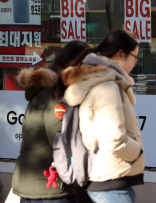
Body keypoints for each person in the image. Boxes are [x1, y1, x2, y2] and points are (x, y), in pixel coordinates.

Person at [60, 29, 145, 203]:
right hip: (112, 181)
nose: (136, 63)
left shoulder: (96, 80)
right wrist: (137, 151)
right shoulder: (107, 87)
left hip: (104, 176)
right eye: (135, 57)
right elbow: (113, 139)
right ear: (120, 54)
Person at [12, 40, 90, 203]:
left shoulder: (51, 89)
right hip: (51, 189)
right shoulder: (56, 95)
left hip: (40, 186)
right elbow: (61, 142)